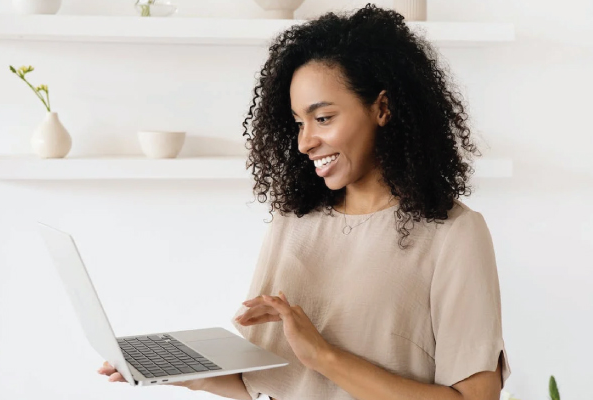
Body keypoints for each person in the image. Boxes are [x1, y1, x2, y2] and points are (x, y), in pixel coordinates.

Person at [98, 3, 512, 399]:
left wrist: (324, 357)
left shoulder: (452, 234)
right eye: (298, 122)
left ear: (382, 108)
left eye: (324, 118)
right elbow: (264, 381)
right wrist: (177, 371)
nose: (306, 141)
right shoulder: (293, 224)